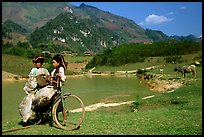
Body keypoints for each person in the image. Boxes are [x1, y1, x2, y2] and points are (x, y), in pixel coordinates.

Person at [19, 55, 50, 127]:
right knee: (29, 104)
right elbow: (31, 80)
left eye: (39, 62)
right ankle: (26, 120)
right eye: (37, 62)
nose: (38, 64)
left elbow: (48, 78)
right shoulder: (33, 70)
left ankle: (41, 117)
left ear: (41, 63)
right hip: (34, 89)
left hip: (43, 89)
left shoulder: (45, 70)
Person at [49, 54, 67, 122]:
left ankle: (64, 119)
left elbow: (63, 78)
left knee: (61, 105)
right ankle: (55, 119)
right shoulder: (54, 70)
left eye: (54, 62)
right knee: (53, 104)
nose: (53, 64)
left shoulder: (60, 69)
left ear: (58, 63)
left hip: (58, 89)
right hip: (53, 88)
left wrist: (60, 76)